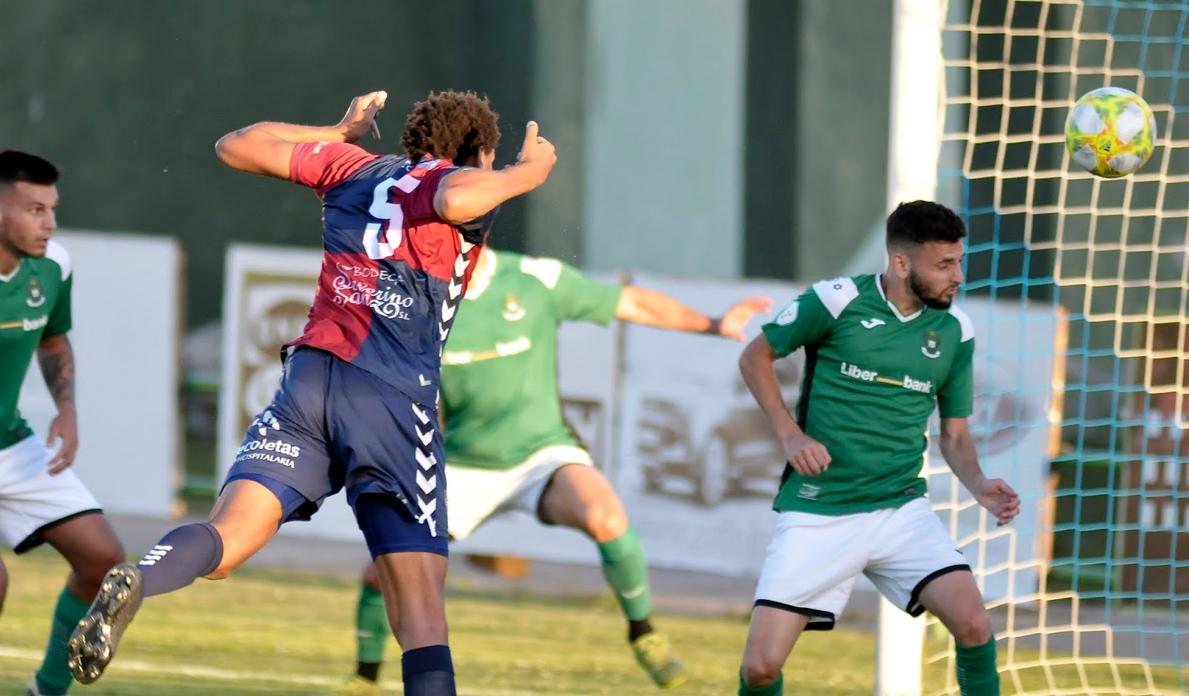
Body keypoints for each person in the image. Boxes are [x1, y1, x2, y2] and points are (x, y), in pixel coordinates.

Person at [67, 90, 556, 696]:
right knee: (421, 608)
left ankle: (143, 577)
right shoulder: (466, 185)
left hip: (311, 381)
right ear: (480, 151)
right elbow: (454, 196)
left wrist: (336, 129)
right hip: (391, 398)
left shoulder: (352, 166)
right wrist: (526, 173)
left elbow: (236, 144)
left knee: (225, 539)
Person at [333, 245, 771, 695]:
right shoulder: (418, 300)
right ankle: (365, 677)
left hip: (541, 454)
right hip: (464, 464)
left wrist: (713, 324)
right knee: (383, 571)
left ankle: (644, 634)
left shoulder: (534, 279)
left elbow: (632, 302)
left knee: (604, 514)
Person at [734, 200, 1020, 696]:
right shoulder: (836, 301)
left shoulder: (956, 332)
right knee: (760, 667)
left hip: (901, 510)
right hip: (821, 511)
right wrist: (790, 434)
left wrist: (978, 484)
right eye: (944, 264)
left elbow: (954, 434)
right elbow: (755, 356)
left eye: (959, 261)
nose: (958, 276)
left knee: (974, 624)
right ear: (901, 263)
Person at [0, 150, 126, 696]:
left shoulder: (54, 265)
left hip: (13, 443)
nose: (48, 223)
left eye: (51, 209)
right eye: (33, 209)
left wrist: (67, 410)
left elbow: (52, 338)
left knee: (104, 562)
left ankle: (45, 692)